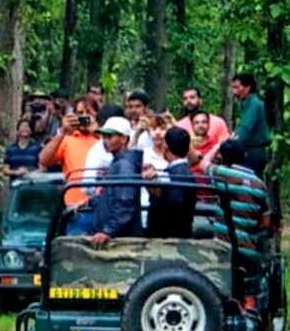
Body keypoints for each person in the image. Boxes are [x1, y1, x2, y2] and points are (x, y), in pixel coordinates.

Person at [38, 96, 100, 232]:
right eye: (80, 113)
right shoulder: (68, 139)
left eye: (88, 113)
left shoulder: (104, 139)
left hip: (102, 208)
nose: (84, 117)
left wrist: (98, 133)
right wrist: (62, 132)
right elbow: (44, 160)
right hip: (77, 210)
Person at [207, 139, 273, 263]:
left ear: (221, 156)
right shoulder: (259, 185)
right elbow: (265, 222)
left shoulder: (219, 173)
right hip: (249, 252)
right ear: (245, 155)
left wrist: (216, 146)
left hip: (222, 249)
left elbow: (203, 163)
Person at [87, 116, 142, 245]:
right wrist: (90, 201)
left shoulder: (124, 166)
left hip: (120, 240)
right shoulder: (118, 163)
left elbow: (125, 203)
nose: (105, 141)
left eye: (109, 137)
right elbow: (112, 197)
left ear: (123, 139)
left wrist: (108, 231)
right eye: (104, 137)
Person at [146, 126, 197, 239]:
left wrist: (155, 188)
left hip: (169, 238)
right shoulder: (183, 171)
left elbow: (174, 203)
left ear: (166, 147)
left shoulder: (175, 174)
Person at [230, 73, 271, 176]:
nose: (234, 91)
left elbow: (244, 129)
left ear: (248, 88)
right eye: (233, 87)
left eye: (237, 87)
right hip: (248, 150)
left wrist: (228, 145)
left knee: (251, 186)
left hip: (253, 151)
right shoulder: (245, 104)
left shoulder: (254, 104)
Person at [125, 89, 155, 154]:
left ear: (146, 107)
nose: (133, 110)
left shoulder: (156, 127)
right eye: (130, 107)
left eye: (137, 106)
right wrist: (137, 134)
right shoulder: (125, 126)